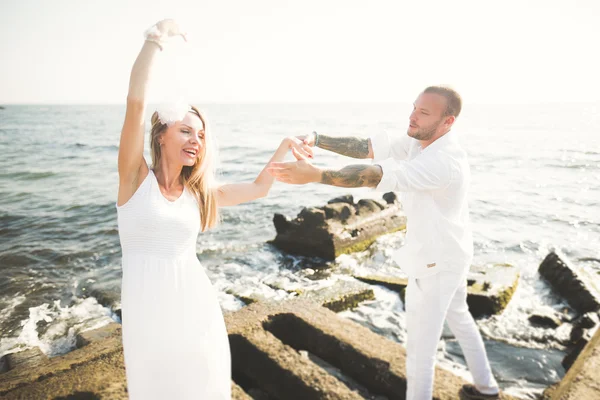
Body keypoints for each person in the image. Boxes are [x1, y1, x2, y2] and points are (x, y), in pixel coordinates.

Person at [116, 19, 312, 399]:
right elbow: (136, 103)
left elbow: (258, 188)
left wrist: (285, 145)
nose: (196, 141)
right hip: (146, 312)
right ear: (161, 135)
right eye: (186, 131)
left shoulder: (198, 193)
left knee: (202, 386)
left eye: (201, 135)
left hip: (195, 307)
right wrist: (155, 40)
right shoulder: (134, 180)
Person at [267, 86, 501, 400]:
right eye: (414, 107)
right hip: (453, 252)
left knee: (420, 350)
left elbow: (370, 176)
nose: (412, 116)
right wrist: (317, 138)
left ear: (448, 122)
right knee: (459, 315)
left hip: (437, 264)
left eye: (424, 112)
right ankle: (487, 388)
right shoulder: (421, 140)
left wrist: (314, 175)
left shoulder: (443, 161)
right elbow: (366, 148)